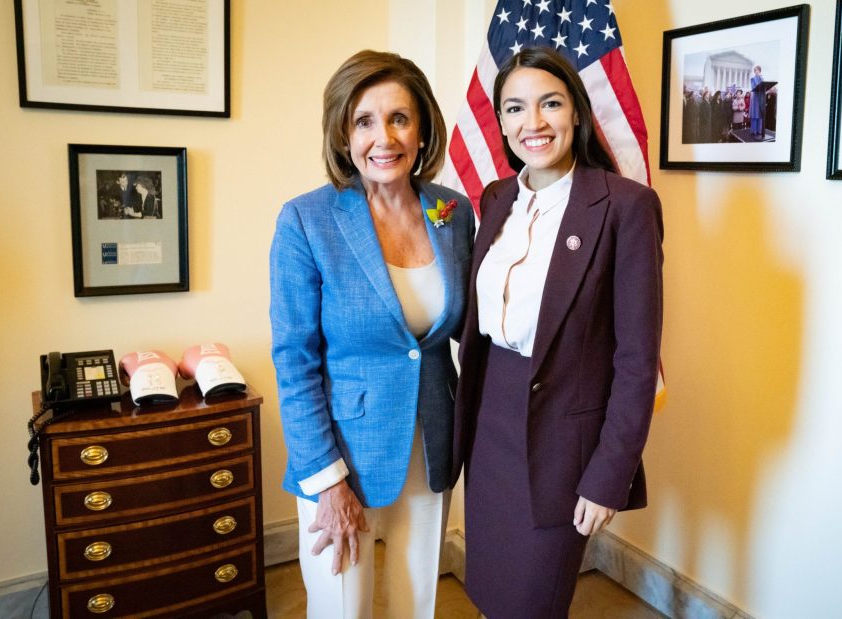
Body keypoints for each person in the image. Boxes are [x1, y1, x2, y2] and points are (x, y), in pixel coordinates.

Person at [453, 47, 663, 619]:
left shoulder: (626, 207)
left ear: (577, 113)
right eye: (516, 108)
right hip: (489, 421)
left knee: (534, 601)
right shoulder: (497, 199)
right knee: (493, 594)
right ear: (500, 121)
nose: (534, 123)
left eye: (550, 103)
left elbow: (638, 359)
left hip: (561, 443)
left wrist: (608, 476)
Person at [269, 49, 474, 619]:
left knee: (416, 603)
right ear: (343, 133)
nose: (384, 138)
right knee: (342, 609)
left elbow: (472, 331)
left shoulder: (453, 213)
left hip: (430, 441)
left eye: (399, 118)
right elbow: (294, 359)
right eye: (364, 121)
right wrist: (327, 481)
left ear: (422, 128)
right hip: (344, 457)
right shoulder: (306, 220)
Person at [749, 65, 765, 138]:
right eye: (755, 70)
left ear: (760, 71)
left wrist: (760, 77)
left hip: (761, 97)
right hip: (755, 97)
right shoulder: (752, 79)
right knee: (755, 114)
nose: (756, 71)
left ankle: (759, 130)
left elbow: (764, 86)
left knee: (760, 115)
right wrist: (757, 78)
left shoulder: (762, 78)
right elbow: (753, 87)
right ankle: (754, 131)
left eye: (758, 70)